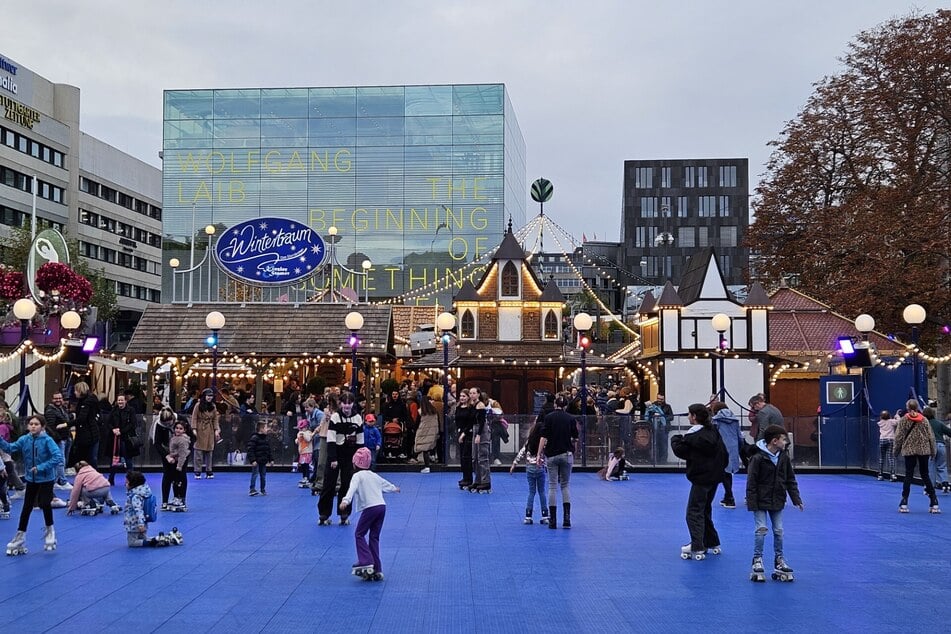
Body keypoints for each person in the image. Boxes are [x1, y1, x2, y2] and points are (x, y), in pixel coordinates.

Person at [746, 425, 804, 582]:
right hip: (760, 500)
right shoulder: (757, 458)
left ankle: (779, 559)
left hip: (777, 499)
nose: (786, 442)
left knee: (778, 530)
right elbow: (751, 482)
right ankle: (757, 559)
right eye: (784, 439)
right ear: (774, 441)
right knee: (761, 530)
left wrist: (796, 499)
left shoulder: (783, 458)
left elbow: (790, 479)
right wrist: (752, 503)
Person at [670, 403, 728, 560]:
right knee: (705, 509)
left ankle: (697, 545)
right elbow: (724, 453)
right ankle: (711, 541)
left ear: (694, 417)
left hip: (701, 478)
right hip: (714, 477)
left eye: (689, 414)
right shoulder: (714, 432)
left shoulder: (693, 437)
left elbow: (682, 451)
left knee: (694, 512)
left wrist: (675, 439)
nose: (688, 417)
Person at [1, 415, 64, 555]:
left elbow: (57, 457)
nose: (33, 426)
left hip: (46, 478)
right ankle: (20, 534)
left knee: (45, 503)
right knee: (27, 506)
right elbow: (10, 448)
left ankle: (50, 531)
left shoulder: (47, 440)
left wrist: (41, 467)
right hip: (31, 479)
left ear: (42, 426)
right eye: (31, 424)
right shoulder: (25, 439)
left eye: (36, 424)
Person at [340, 447, 400, 581]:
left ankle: (366, 560)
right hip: (381, 507)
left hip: (370, 508)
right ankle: (378, 568)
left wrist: (345, 501)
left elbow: (351, 490)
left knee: (359, 534)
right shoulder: (374, 475)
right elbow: (385, 484)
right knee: (374, 537)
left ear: (355, 463)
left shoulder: (357, 476)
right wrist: (394, 488)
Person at [318, 392, 364, 525]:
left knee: (347, 485)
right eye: (344, 403)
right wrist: (332, 459)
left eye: (349, 403)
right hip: (335, 453)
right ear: (341, 404)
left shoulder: (358, 418)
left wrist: (359, 460)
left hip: (350, 455)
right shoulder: (335, 417)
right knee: (329, 485)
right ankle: (324, 514)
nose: (347, 406)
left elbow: (360, 441)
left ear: (353, 404)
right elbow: (331, 440)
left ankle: (344, 514)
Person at [537, 394, 579, 529]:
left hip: (552, 455)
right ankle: (567, 519)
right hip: (566, 454)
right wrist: (574, 451)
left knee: (552, 486)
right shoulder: (571, 419)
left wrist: (539, 454)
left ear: (555, 405)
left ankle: (553, 520)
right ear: (565, 406)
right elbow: (575, 438)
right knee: (565, 485)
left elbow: (543, 437)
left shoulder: (549, 418)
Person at [893, 399, 939, 513]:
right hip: (924, 450)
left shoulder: (904, 420)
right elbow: (931, 437)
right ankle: (934, 502)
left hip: (909, 450)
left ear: (907, 408)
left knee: (908, 475)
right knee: (925, 475)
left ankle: (904, 502)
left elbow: (898, 437)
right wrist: (933, 451)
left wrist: (896, 451)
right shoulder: (924, 420)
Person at [123, 471, 181, 547]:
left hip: (134, 523)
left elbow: (138, 510)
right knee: (143, 538)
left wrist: (140, 524)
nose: (125, 484)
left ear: (133, 484)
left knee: (132, 543)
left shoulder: (135, 496)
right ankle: (164, 539)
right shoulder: (144, 492)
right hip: (143, 521)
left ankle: (154, 541)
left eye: (127, 482)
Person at [510, 418, 549, 524]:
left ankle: (528, 516)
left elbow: (522, 452)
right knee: (542, 492)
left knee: (531, 492)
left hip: (530, 469)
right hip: (540, 468)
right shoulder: (544, 443)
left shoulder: (529, 442)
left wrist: (514, 464)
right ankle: (545, 515)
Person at [711, 401, 743, 508]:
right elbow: (739, 436)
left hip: (721, 448)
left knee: (722, 473)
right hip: (733, 447)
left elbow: (713, 436)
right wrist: (740, 447)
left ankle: (729, 497)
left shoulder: (716, 420)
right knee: (728, 473)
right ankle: (727, 496)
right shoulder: (735, 420)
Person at [158, 414, 191, 511]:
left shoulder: (182, 441)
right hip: (173, 461)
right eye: (176, 428)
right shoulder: (174, 438)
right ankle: (177, 498)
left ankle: (181, 499)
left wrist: (179, 465)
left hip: (179, 463)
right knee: (175, 480)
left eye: (180, 429)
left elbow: (182, 454)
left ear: (184, 430)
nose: (178, 430)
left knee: (180, 480)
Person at [109, 394, 141, 485]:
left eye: (122, 400)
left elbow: (133, 424)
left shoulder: (131, 410)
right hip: (114, 439)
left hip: (127, 439)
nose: (120, 402)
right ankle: (111, 479)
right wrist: (113, 429)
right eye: (119, 400)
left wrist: (121, 431)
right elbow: (109, 422)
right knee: (113, 460)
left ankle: (130, 480)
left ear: (125, 401)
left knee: (128, 460)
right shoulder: (113, 410)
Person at [44, 391, 72, 491]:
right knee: (60, 460)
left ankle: (56, 480)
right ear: (52, 399)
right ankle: (62, 481)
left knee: (63, 460)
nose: (58, 400)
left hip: (65, 437)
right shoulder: (50, 411)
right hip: (58, 439)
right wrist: (57, 438)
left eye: (60, 398)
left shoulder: (62, 409)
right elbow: (51, 426)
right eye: (56, 398)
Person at [191, 388, 220, 479]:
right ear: (204, 396)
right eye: (208, 396)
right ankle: (197, 471)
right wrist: (194, 429)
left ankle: (209, 470)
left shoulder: (213, 406)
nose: (209, 398)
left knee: (209, 451)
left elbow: (215, 419)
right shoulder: (198, 405)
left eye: (211, 396)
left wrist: (216, 430)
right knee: (198, 451)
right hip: (200, 428)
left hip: (210, 429)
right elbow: (194, 417)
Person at [70, 381, 101, 469]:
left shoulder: (86, 402)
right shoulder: (87, 400)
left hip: (88, 434)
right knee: (90, 457)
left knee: (90, 457)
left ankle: (92, 476)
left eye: (76, 390)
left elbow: (81, 418)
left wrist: (66, 424)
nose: (74, 393)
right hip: (90, 433)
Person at [454, 390, 477, 489]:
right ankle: (464, 477)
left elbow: (471, 422)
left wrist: (464, 433)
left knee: (467, 456)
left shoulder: (471, 408)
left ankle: (469, 478)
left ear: (468, 397)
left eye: (464, 396)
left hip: (468, 434)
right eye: (460, 396)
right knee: (462, 457)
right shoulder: (458, 407)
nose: (462, 398)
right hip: (460, 432)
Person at [925, 406, 951, 493]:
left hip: (931, 446)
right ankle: (945, 484)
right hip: (941, 445)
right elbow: (949, 432)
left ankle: (930, 487)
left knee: (931, 467)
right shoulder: (939, 423)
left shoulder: (924, 424)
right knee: (942, 466)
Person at [471, 390, 491, 492]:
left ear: (478, 394)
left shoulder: (480, 405)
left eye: (474, 393)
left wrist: (478, 435)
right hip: (475, 428)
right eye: (470, 393)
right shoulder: (473, 405)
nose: (472, 395)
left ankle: (485, 481)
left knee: (482, 457)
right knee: (475, 457)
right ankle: (478, 479)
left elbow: (482, 421)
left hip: (481, 430)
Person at [247, 420, 274, 496]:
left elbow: (268, 450)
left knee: (263, 476)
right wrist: (253, 460)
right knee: (255, 474)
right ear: (261, 429)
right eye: (266, 428)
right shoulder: (254, 438)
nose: (267, 429)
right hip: (256, 461)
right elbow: (250, 450)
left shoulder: (266, 439)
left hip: (263, 460)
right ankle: (252, 489)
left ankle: (263, 489)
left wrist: (271, 459)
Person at [413, 397, 439, 474]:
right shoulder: (434, 411)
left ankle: (426, 466)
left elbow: (417, 423)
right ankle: (432, 458)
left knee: (424, 449)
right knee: (427, 448)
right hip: (432, 432)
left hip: (422, 432)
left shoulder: (420, 412)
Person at [877, 410, 898, 481]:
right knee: (890, 457)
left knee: (881, 458)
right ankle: (892, 475)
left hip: (882, 439)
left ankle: (880, 474)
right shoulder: (891, 421)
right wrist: (897, 416)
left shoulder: (880, 423)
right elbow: (899, 421)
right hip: (890, 439)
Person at [296, 420, 314, 487]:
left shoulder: (309, 433)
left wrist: (303, 435)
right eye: (300, 428)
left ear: (306, 427)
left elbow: (308, 439)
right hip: (302, 452)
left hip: (308, 452)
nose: (301, 430)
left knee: (306, 465)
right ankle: (304, 477)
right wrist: (298, 439)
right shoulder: (299, 433)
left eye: (302, 428)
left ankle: (307, 478)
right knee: (303, 465)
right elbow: (298, 441)